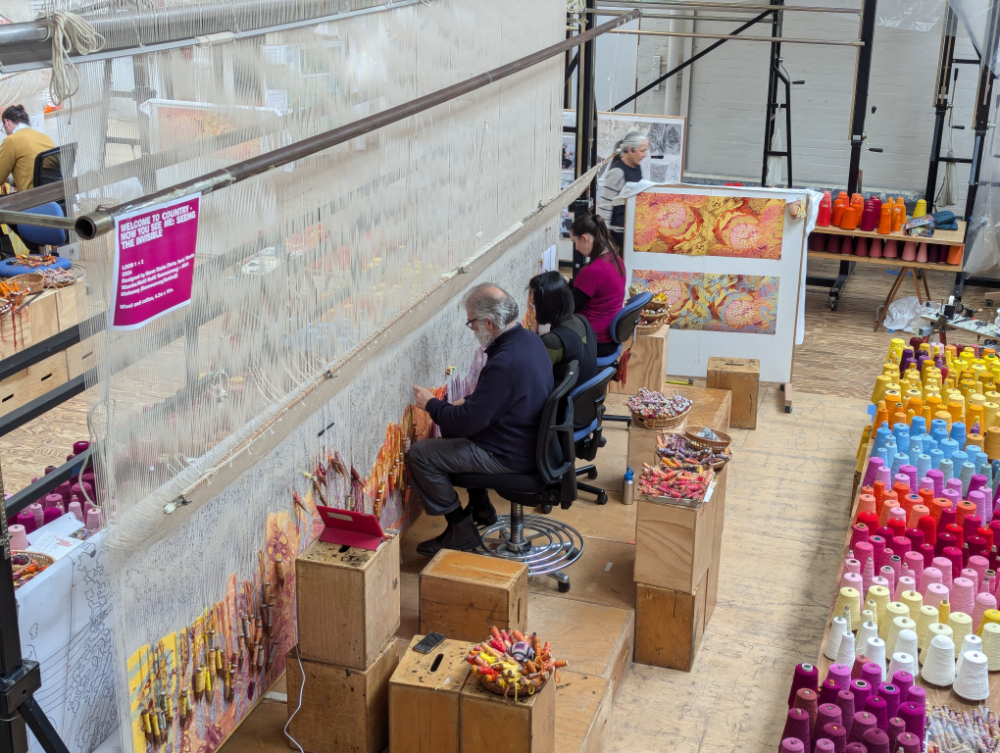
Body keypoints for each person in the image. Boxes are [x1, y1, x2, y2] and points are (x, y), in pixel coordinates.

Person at [409, 283, 554, 556]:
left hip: (509, 454)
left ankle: (459, 529)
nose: (472, 328)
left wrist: (432, 405)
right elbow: (502, 399)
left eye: (471, 322)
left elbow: (462, 424)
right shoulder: (529, 341)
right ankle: (480, 506)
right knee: (452, 434)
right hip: (528, 439)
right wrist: (468, 404)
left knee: (421, 454)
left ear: (489, 322)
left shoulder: (504, 362)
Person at [569, 214, 627, 358]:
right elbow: (592, 292)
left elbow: (570, 308)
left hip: (594, 342)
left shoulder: (592, 271)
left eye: (575, 242)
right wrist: (568, 282)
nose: (576, 248)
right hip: (609, 339)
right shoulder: (616, 259)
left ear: (585, 238)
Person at [530, 270, 597, 386]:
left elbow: (535, 380)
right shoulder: (582, 320)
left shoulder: (552, 340)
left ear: (545, 305)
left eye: (534, 304)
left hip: (565, 401)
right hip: (585, 398)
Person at [596, 129, 647, 249]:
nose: (645, 155)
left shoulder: (637, 167)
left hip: (630, 228)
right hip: (617, 232)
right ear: (630, 150)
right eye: (642, 151)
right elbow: (606, 204)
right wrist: (604, 237)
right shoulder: (617, 172)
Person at [0, 105, 55, 192]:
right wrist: (9, 179)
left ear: (6, 122)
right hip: (54, 195)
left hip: (32, 199)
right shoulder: (45, 138)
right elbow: (34, 176)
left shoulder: (11, 140)